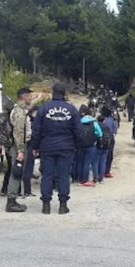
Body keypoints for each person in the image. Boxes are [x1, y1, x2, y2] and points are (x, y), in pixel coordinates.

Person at [31, 83, 80, 214]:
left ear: (53, 92)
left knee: (47, 175)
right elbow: (78, 131)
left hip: (47, 147)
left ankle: (46, 205)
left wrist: (35, 146)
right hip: (66, 147)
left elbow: (36, 130)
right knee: (63, 176)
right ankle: (63, 205)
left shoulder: (43, 109)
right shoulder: (72, 109)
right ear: (64, 93)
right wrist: (76, 146)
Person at [4, 87, 33, 212]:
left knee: (17, 172)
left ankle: (12, 199)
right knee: (16, 172)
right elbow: (18, 132)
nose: (31, 98)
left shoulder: (20, 110)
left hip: (18, 145)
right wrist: (20, 150)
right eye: (30, 96)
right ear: (24, 96)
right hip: (18, 146)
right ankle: (11, 201)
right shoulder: (19, 112)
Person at [0, 100, 15, 196]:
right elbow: (10, 131)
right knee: (12, 168)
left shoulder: (0, 117)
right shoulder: (8, 118)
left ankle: (5, 188)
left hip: (4, 144)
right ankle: (9, 189)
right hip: (10, 144)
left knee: (10, 168)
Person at [77, 106, 103, 187]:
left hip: (80, 144)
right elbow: (100, 133)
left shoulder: (79, 121)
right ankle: (85, 180)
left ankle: (79, 178)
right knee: (87, 163)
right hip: (91, 145)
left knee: (80, 161)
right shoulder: (93, 122)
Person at [21, 105, 39, 197]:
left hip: (27, 146)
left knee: (26, 169)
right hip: (29, 147)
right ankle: (27, 191)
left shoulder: (27, 120)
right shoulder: (31, 122)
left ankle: (26, 190)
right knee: (28, 169)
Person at [93, 115, 112, 185]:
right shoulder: (106, 127)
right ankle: (101, 178)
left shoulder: (96, 126)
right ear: (104, 120)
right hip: (106, 146)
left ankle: (95, 177)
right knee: (103, 162)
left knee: (95, 162)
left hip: (98, 145)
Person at [101, 106, 118, 178]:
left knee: (100, 156)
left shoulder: (101, 120)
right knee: (109, 156)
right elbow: (115, 130)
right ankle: (106, 172)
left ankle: (100, 172)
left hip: (101, 139)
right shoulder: (112, 120)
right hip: (110, 139)